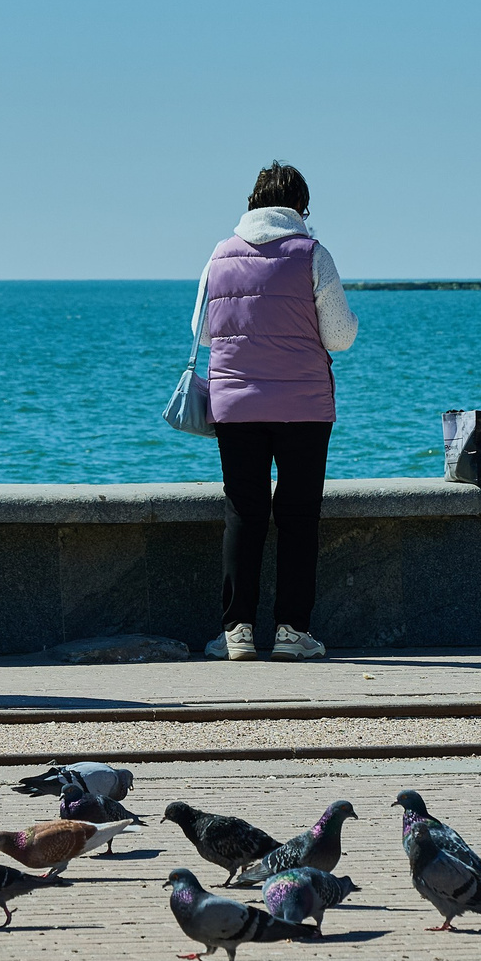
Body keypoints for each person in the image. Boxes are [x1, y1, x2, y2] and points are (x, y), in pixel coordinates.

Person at [192, 161, 359, 661]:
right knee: (298, 515)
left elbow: (202, 332)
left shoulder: (219, 256)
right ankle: (291, 633)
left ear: (252, 203)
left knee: (243, 511)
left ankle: (236, 633)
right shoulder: (312, 255)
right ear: (300, 207)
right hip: (304, 405)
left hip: (236, 406)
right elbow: (339, 336)